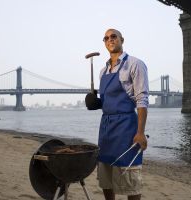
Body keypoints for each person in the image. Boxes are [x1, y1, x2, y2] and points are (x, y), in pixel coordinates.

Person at [85, 29, 149, 200]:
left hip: (126, 127)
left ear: (122, 39)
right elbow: (107, 102)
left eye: (113, 36)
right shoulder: (103, 71)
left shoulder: (135, 64)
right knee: (106, 175)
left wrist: (140, 133)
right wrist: (97, 103)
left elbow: (142, 100)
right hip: (106, 129)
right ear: (104, 43)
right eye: (106, 38)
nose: (110, 39)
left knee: (130, 178)